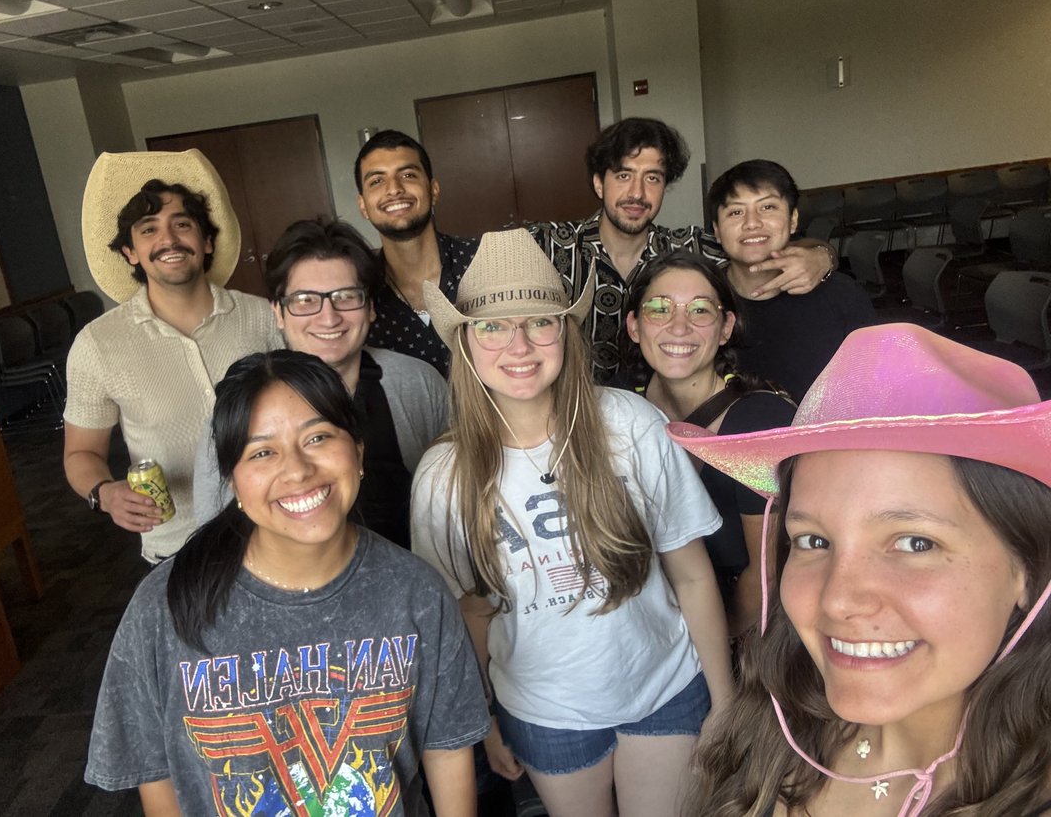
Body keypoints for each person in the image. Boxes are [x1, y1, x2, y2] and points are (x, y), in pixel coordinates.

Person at [410, 229, 734, 817]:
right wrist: (482, 717)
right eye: (492, 326)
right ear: (464, 342)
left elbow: (691, 575)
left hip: (665, 688)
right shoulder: (442, 476)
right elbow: (469, 615)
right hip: (543, 711)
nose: (520, 345)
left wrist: (727, 698)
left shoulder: (629, 422)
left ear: (566, 332)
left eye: (540, 321)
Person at [668, 324, 1051, 817]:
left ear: (1028, 568)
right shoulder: (767, 732)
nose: (837, 600)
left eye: (914, 543)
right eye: (813, 541)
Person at [85, 350, 489, 816]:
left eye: (317, 437)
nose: (296, 470)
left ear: (357, 452)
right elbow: (156, 773)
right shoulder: (164, 606)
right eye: (262, 452)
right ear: (233, 480)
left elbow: (446, 748)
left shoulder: (416, 592)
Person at [64, 150, 280, 563]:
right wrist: (105, 493)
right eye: (149, 230)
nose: (168, 240)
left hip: (276, 533)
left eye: (182, 224)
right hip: (179, 551)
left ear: (207, 241)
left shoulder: (263, 319)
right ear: (129, 252)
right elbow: (80, 454)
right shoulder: (98, 345)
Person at [194, 218, 447, 548]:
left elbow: (461, 501)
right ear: (278, 312)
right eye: (304, 300)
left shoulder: (419, 384)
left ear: (370, 307)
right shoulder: (240, 407)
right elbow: (213, 540)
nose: (329, 317)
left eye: (346, 296)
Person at [532, 119, 836, 381]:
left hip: (665, 414)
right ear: (599, 184)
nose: (637, 193)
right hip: (573, 416)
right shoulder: (550, 245)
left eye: (652, 178)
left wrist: (822, 255)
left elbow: (757, 245)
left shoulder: (686, 248)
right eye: (624, 176)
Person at [619, 250, 795, 638]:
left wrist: (708, 652)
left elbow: (766, 574)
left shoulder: (758, 424)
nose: (679, 327)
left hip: (741, 636)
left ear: (726, 326)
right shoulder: (617, 413)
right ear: (634, 325)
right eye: (659, 308)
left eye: (700, 310)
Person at [706, 159, 876, 403]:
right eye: (735, 212)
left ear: (793, 219)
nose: (752, 223)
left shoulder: (841, 296)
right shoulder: (703, 304)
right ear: (717, 231)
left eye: (767, 208)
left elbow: (873, 387)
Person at [356, 129, 478, 376]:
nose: (394, 189)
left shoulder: (484, 262)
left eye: (408, 175)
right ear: (363, 206)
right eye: (377, 181)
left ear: (433, 190)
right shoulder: (358, 291)